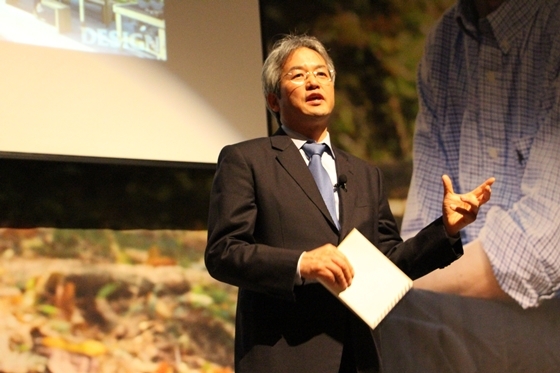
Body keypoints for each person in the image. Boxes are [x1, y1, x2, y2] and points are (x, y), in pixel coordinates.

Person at [204, 34, 494, 373]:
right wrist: (300, 263)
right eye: (297, 75)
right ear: (273, 100)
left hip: (358, 357)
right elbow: (223, 252)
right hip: (284, 356)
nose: (313, 81)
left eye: (322, 73)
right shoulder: (247, 160)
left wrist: (444, 230)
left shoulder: (365, 174)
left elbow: (389, 263)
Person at [377, 0, 560, 372]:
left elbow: (537, 251)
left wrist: (382, 290)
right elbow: (424, 234)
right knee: (362, 327)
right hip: (470, 313)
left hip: (548, 311)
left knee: (387, 323)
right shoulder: (446, 40)